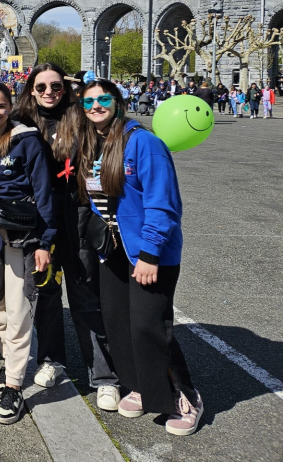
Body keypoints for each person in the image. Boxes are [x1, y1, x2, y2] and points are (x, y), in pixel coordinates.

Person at [76, 80, 203, 436]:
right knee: (119, 323)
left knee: (150, 326)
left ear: (118, 102)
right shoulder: (94, 142)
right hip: (114, 250)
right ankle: (140, 386)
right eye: (88, 102)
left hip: (148, 251)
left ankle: (186, 396)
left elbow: (163, 203)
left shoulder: (143, 142)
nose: (96, 106)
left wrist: (150, 253)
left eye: (103, 99)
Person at [15, 63, 120, 411]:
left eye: (56, 86)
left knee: (85, 295)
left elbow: (114, 138)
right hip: (38, 220)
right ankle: (52, 360)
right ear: (31, 90)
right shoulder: (20, 122)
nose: (49, 92)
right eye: (41, 87)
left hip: (77, 217)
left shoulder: (81, 119)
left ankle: (104, 375)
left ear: (67, 88)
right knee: (45, 293)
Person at [0, 82, 56, 425]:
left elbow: (44, 192)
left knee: (19, 310)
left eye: (0, 106)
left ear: (10, 107)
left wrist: (44, 243)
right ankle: (11, 365)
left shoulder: (28, 141)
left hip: (22, 235)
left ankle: (14, 386)